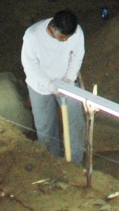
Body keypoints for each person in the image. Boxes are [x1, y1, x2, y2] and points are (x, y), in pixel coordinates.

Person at [21, 10, 86, 163]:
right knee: (45, 128)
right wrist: (49, 84)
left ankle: (75, 163)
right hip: (39, 87)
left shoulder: (76, 32)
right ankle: (53, 162)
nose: (66, 40)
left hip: (66, 83)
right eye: (63, 37)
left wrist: (69, 79)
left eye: (68, 37)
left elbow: (77, 55)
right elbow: (30, 65)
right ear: (52, 27)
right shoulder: (33, 36)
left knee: (75, 123)